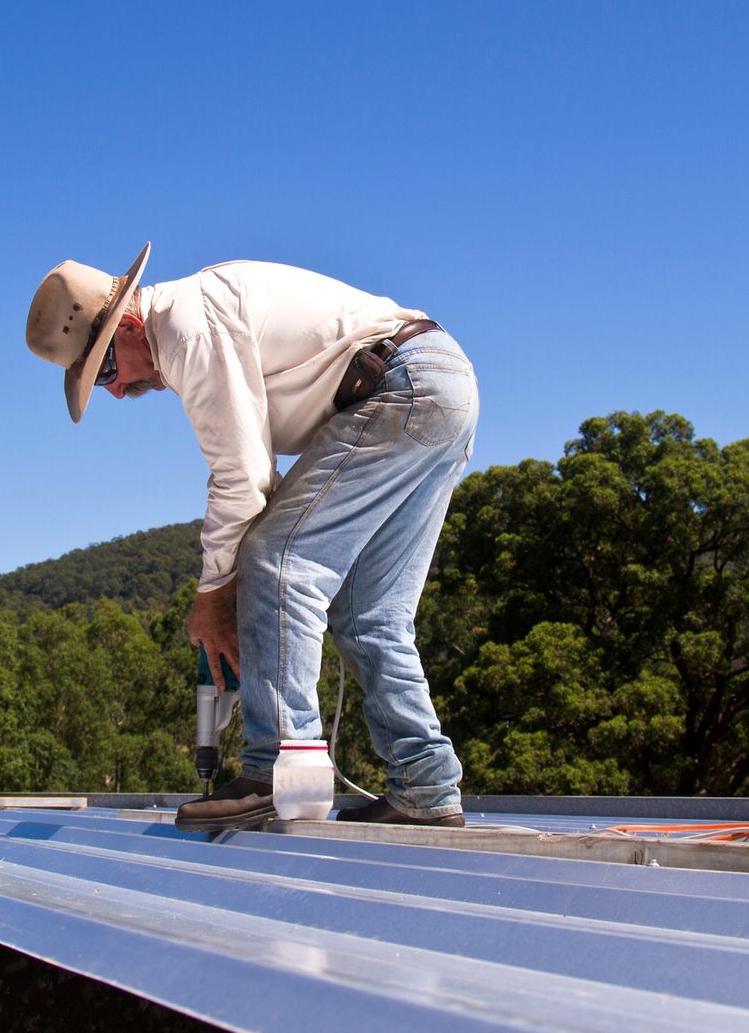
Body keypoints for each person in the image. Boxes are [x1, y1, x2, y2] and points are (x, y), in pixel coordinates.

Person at [25, 243, 476, 830]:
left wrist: (214, 595)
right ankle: (425, 786)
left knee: (275, 562)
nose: (113, 389)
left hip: (400, 386)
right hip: (439, 383)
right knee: (371, 616)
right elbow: (259, 475)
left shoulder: (187, 325)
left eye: (106, 368)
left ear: (128, 325)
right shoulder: (195, 317)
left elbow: (243, 477)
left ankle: (279, 773)